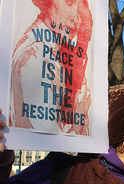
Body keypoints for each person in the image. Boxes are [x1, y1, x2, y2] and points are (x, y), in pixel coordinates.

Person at [9, 0, 92, 135]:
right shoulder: (34, 55)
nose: (76, 19)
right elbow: (47, 137)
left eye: (80, 11)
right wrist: (79, 118)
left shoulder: (52, 53)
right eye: (69, 2)